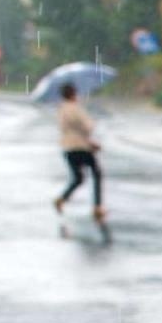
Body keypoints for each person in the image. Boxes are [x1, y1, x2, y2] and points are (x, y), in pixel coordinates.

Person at [54, 83, 104, 222]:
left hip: (67, 148)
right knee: (97, 173)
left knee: (78, 178)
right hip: (81, 147)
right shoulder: (76, 109)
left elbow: (68, 130)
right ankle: (97, 206)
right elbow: (87, 128)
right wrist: (90, 139)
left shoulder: (61, 110)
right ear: (73, 94)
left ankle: (62, 198)